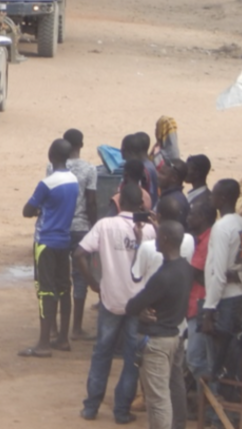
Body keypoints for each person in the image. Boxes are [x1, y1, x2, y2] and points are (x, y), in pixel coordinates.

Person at [76, 182, 155, 423]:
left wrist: (93, 283)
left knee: (102, 352)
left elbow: (79, 253)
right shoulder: (150, 230)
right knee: (132, 358)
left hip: (111, 299)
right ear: (141, 205)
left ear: (119, 202)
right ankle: (121, 411)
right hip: (138, 304)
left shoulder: (105, 225)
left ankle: (91, 407)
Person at [126, 220, 194, 429]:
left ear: (164, 240)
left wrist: (140, 311)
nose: (155, 240)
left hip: (157, 342)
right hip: (174, 336)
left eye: (158, 236)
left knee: (158, 400)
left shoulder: (163, 277)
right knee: (172, 388)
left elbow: (132, 306)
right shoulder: (185, 268)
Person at [20, 138, 80, 358]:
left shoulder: (47, 183)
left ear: (51, 156)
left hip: (45, 241)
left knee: (45, 290)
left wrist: (39, 210)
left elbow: (27, 210)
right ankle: (63, 338)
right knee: (64, 288)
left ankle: (43, 343)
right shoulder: (73, 180)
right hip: (64, 241)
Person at [200, 179, 242, 383]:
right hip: (238, 297)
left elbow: (219, 274)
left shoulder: (222, 228)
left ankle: (218, 411)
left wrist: (209, 311)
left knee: (218, 364)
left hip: (224, 301)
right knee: (229, 359)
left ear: (221, 199)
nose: (210, 198)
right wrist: (238, 276)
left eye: (213, 194)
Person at [48, 129, 99, 340]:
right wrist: (93, 226)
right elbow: (92, 202)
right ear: (82, 145)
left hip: (59, 227)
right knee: (79, 278)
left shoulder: (52, 168)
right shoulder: (89, 169)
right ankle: (76, 328)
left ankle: (52, 327)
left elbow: (49, 197)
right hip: (80, 228)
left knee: (55, 277)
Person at [184, 199, 217, 387]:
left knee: (195, 359)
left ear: (202, 218)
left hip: (201, 306)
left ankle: (212, 404)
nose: (188, 218)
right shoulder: (199, 239)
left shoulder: (207, 241)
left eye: (192, 215)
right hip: (196, 304)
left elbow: (195, 272)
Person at [156, 158, 188, 228]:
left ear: (174, 178)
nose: (158, 176)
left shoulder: (173, 201)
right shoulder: (171, 196)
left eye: (162, 174)